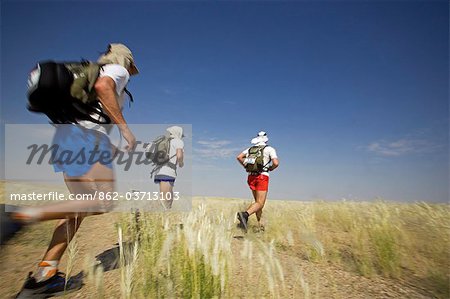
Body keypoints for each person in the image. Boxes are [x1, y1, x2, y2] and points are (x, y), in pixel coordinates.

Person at [1, 43, 139, 298]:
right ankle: (17, 217)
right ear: (127, 61)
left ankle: (44, 276)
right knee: (103, 202)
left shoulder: (92, 73)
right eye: (132, 66)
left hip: (68, 138)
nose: (133, 72)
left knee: (76, 212)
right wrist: (125, 129)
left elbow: (89, 116)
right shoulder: (118, 71)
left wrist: (111, 148)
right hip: (87, 140)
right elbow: (103, 88)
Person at [236, 131, 279, 232]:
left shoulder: (250, 149)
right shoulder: (269, 149)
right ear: (266, 139)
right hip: (262, 176)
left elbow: (239, 157)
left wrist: (245, 166)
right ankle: (244, 215)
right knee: (260, 203)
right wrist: (271, 168)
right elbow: (276, 163)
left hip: (251, 177)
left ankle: (261, 226)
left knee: (257, 203)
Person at [151, 126, 184, 210]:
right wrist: (181, 163)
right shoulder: (178, 141)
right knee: (165, 197)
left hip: (159, 171)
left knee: (167, 194)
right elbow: (179, 155)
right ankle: (162, 213)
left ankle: (166, 212)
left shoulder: (165, 141)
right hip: (167, 171)